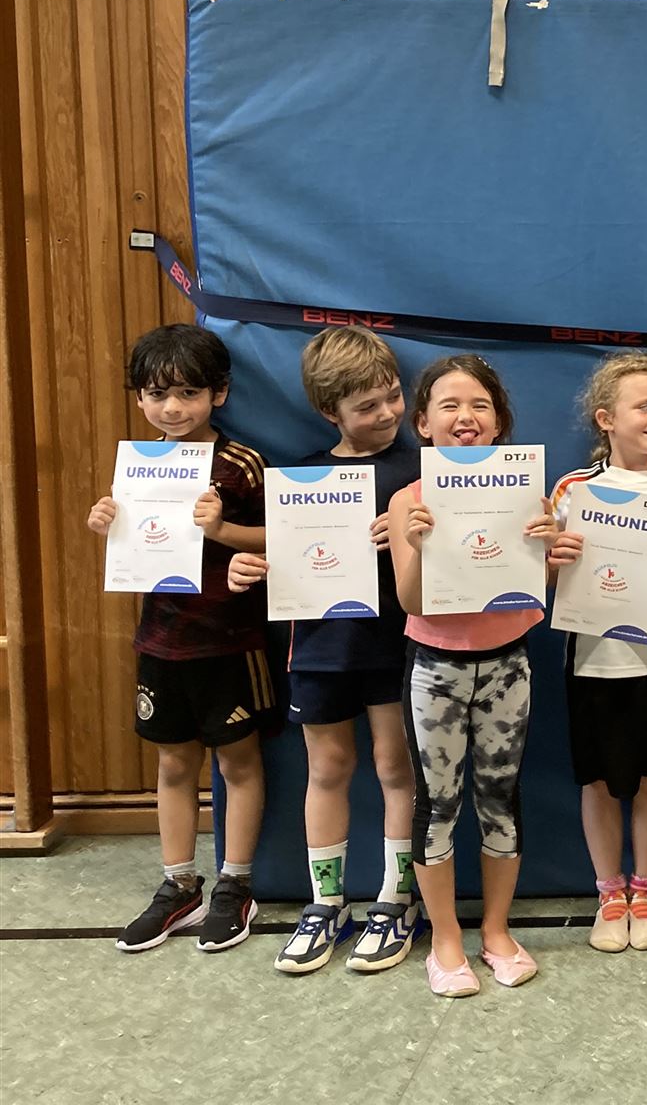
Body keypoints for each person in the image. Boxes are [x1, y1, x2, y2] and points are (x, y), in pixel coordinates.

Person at [227, 326, 422, 974]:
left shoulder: (421, 473)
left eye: (393, 396)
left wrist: (410, 531)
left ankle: (396, 899)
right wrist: (249, 569)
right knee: (328, 768)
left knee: (396, 767)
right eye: (367, 406)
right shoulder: (301, 478)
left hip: (394, 644)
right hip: (319, 648)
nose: (387, 413)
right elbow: (280, 557)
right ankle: (326, 903)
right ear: (327, 411)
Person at [88, 323, 273, 954]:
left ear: (219, 394)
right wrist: (108, 521)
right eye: (157, 394)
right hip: (162, 639)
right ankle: (178, 885)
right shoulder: (140, 467)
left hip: (231, 639)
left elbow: (283, 535)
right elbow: (137, 545)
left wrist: (222, 531)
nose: (172, 407)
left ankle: (235, 885)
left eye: (188, 393)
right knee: (173, 762)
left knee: (237, 762)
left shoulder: (241, 464)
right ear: (139, 397)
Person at [388, 354, 558, 996]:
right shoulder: (408, 500)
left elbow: (537, 589)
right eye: (450, 406)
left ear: (499, 421)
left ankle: (495, 930)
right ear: (423, 423)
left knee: (500, 798)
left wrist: (551, 552)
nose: (466, 417)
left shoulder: (527, 494)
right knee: (436, 804)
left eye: (480, 405)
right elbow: (410, 601)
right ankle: (446, 940)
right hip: (435, 667)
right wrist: (418, 546)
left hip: (509, 662)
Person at [548, 352, 647, 953]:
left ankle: (646, 892)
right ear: (606, 418)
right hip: (591, 662)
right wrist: (553, 562)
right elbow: (542, 577)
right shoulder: (573, 489)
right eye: (645, 407)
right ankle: (609, 894)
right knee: (599, 784)